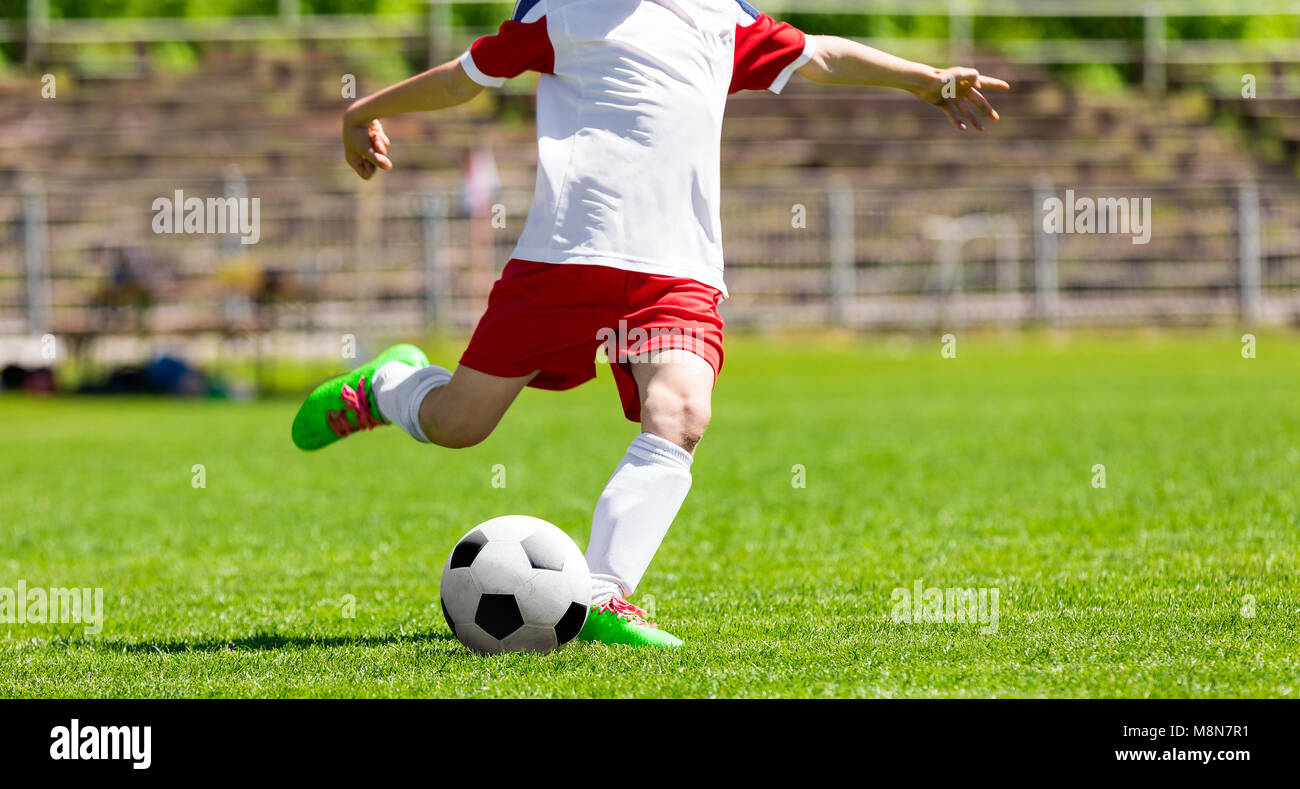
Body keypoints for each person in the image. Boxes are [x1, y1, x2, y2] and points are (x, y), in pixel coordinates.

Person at [292, 0, 1008, 647]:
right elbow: (465, 76)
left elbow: (817, 54)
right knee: (458, 423)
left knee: (682, 412)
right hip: (564, 261)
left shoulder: (723, 19)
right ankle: (387, 386)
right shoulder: (563, 15)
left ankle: (603, 592)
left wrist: (924, 78)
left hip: (677, 272)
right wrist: (362, 112)